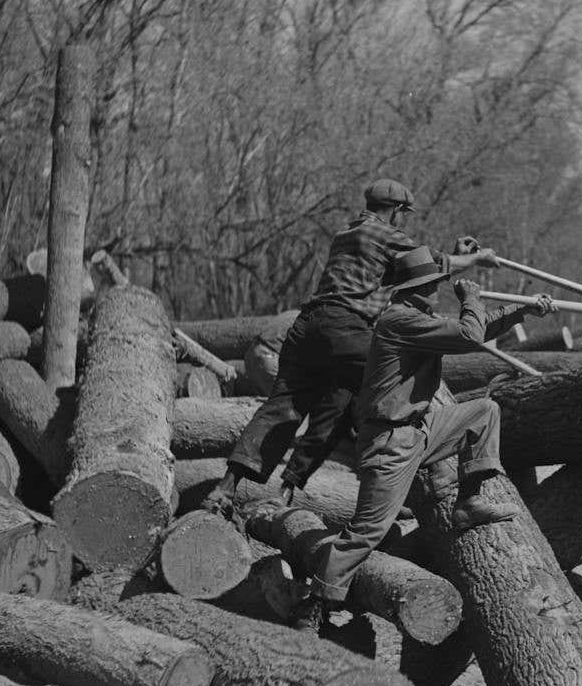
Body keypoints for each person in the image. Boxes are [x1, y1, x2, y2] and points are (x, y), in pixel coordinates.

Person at [204, 179, 499, 514]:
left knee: (301, 407)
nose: (403, 221)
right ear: (397, 210)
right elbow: (427, 263)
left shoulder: (347, 232)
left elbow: (416, 272)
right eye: (403, 214)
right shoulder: (382, 233)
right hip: (345, 327)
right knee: (396, 386)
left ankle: (230, 489)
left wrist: (456, 256)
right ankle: (411, 486)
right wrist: (476, 259)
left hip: (307, 330)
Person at [303, 245, 556, 621]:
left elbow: (471, 328)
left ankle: (468, 504)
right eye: (435, 282)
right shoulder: (399, 321)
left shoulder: (416, 315)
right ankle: (315, 604)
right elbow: (469, 335)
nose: (440, 287)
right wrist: (471, 298)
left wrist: (523, 310)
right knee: (368, 530)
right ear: (417, 287)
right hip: (389, 443)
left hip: (417, 430)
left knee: (484, 412)